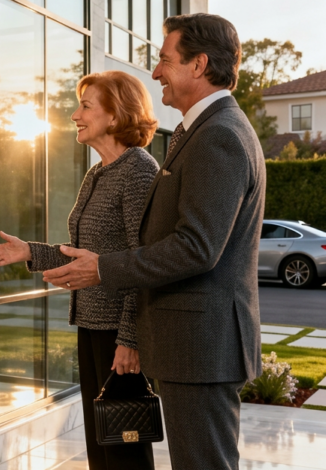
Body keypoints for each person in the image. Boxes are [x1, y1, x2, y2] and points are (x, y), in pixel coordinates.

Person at [43, 14, 265, 470]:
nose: (156, 71)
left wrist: (102, 268)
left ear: (198, 65)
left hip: (202, 348)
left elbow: (196, 247)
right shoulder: (203, 130)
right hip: (194, 346)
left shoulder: (219, 134)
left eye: (165, 60)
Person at [0, 71, 159, 470]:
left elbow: (144, 261)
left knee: (125, 450)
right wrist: (30, 252)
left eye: (85, 106)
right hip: (91, 326)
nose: (75, 115)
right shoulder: (97, 173)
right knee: (102, 445)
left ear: (115, 115)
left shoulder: (138, 171)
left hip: (119, 333)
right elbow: (82, 257)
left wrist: (130, 339)